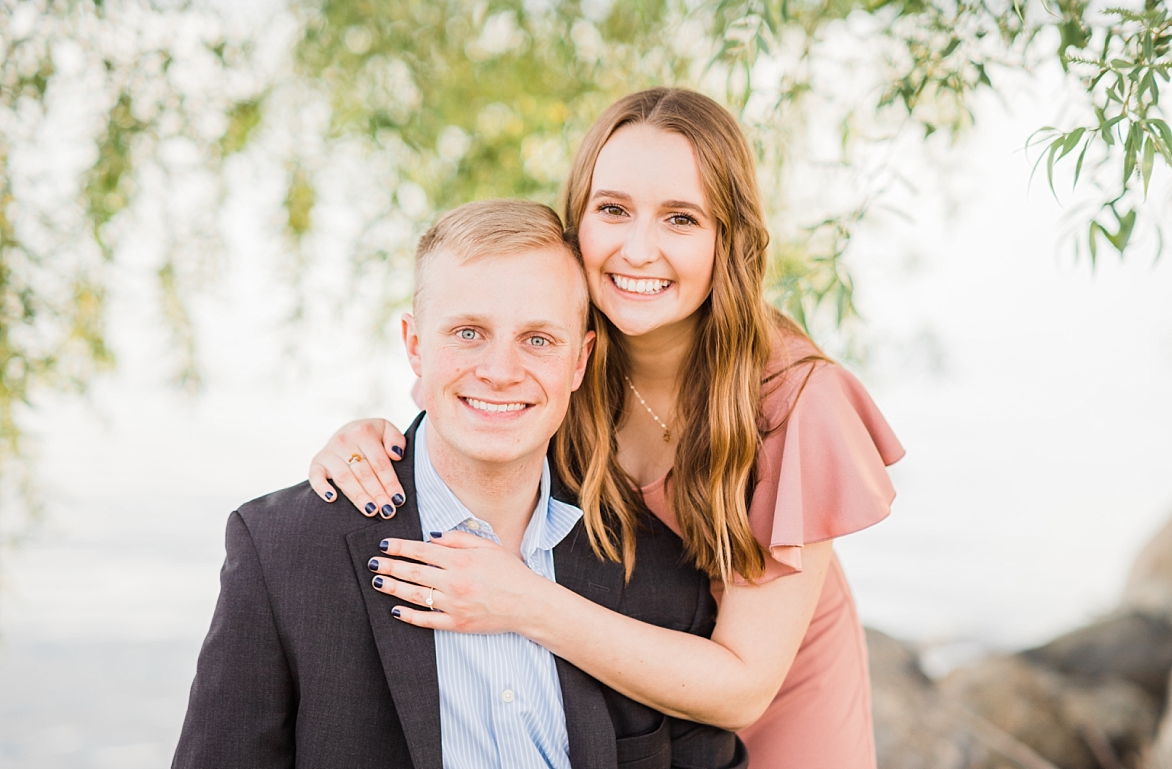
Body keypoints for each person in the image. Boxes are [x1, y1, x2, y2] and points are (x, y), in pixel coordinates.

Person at [308, 89, 905, 769]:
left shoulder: (795, 399)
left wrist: (523, 603)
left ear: (726, 238)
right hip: (631, 691)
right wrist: (367, 441)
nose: (638, 250)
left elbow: (743, 688)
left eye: (681, 219)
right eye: (613, 210)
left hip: (779, 696)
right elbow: (463, 403)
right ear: (579, 220)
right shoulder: (566, 347)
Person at [173, 199, 747, 769]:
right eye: (469, 333)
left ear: (580, 360)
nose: (500, 371)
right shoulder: (283, 552)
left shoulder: (656, 566)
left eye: (538, 340)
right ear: (415, 345)